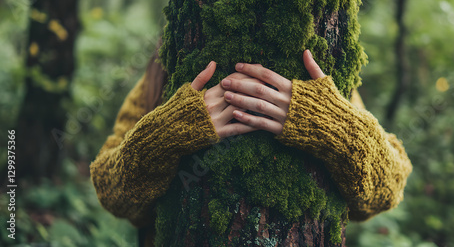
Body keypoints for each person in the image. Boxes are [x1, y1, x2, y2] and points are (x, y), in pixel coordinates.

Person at [90, 50, 412, 246]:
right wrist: (165, 135)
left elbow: (384, 193)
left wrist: (333, 124)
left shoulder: (327, 79)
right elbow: (113, 195)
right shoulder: (161, 72)